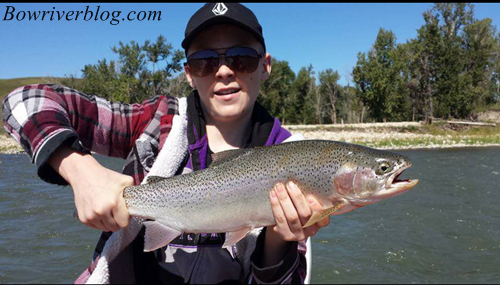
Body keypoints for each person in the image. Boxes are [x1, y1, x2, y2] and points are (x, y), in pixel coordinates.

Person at [1, 3, 331, 284]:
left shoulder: (295, 157)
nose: (225, 71)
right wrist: (80, 170)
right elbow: (23, 102)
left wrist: (278, 239)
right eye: (205, 61)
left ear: (266, 66)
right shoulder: (156, 121)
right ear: (189, 73)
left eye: (242, 58)